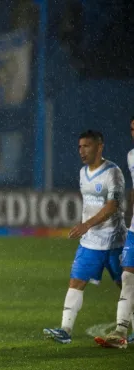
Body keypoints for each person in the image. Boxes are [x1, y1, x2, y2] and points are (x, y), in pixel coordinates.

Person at [44, 130, 126, 344]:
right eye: (80, 146)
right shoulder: (82, 172)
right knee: (76, 282)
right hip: (90, 243)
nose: (81, 151)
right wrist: (87, 228)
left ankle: (124, 330)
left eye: (86, 146)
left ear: (100, 147)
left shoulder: (112, 172)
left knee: (125, 285)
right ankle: (65, 330)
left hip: (115, 240)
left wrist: (86, 224)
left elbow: (113, 205)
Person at [94, 118, 134, 348]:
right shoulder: (131, 156)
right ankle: (121, 332)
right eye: (131, 129)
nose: (133, 134)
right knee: (128, 276)